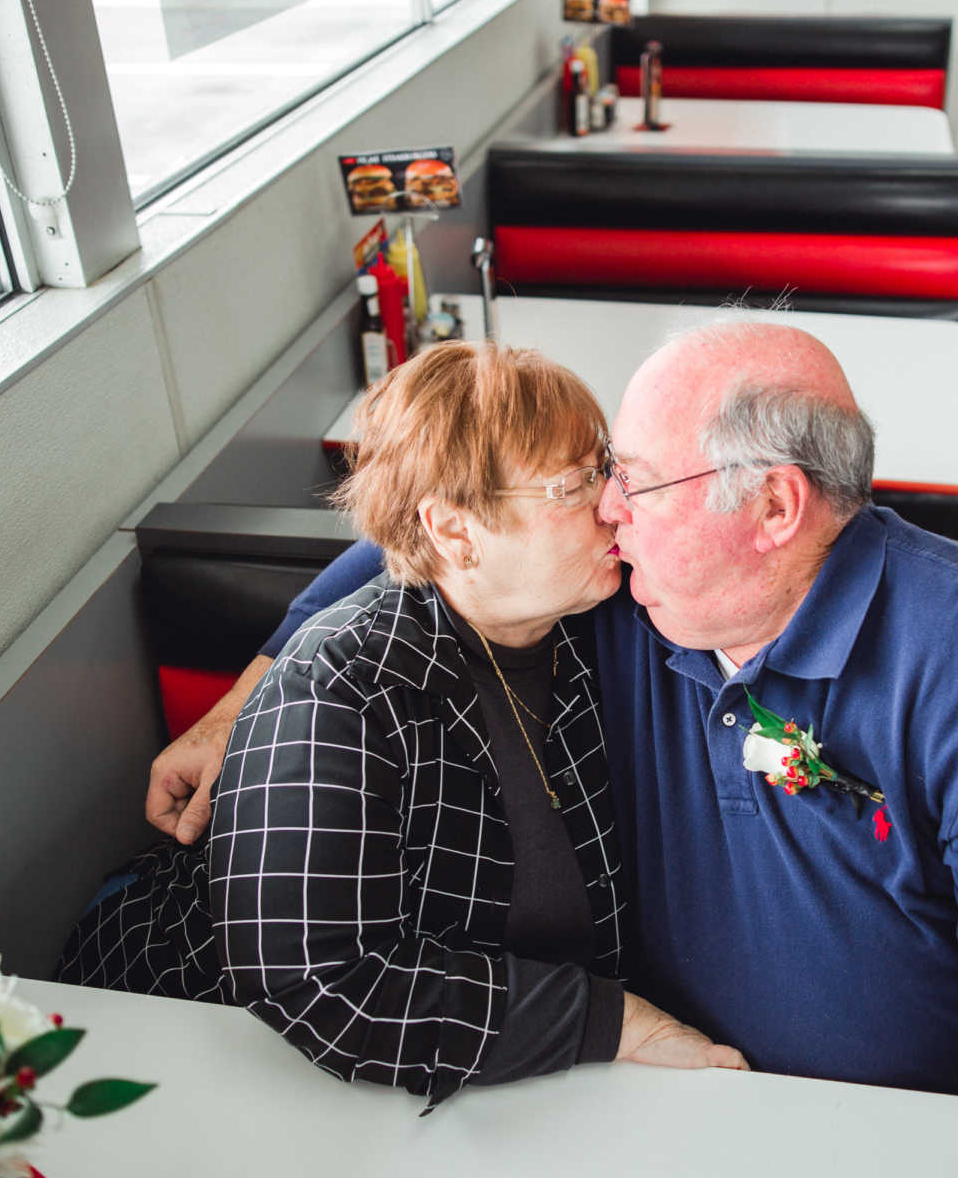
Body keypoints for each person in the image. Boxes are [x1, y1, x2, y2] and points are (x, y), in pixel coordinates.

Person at [147, 322, 958, 1178]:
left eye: (631, 481)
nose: (606, 510)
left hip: (889, 1139)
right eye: (594, 483)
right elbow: (438, 526)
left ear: (773, 509)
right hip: (641, 1107)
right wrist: (249, 689)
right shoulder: (632, 598)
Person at [63, 341, 746, 1106]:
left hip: (511, 1088)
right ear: (455, 532)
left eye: (607, 468)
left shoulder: (588, 627)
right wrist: (618, 1024)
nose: (612, 503)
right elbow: (319, 981)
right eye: (572, 485)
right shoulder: (341, 694)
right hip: (193, 1055)